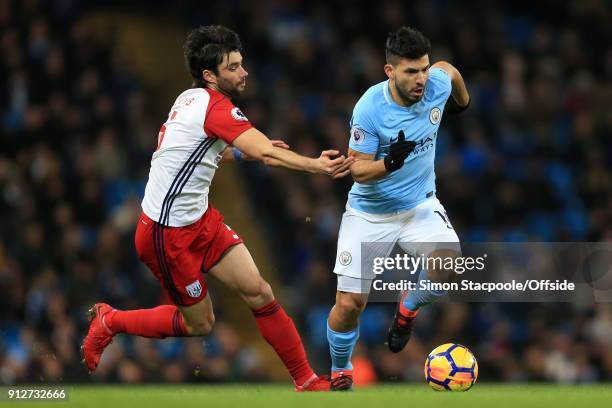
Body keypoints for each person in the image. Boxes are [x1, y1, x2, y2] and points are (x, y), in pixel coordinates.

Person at [82, 25, 353, 392]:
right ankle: (111, 321)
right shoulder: (215, 107)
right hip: (166, 233)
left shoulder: (188, 98)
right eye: (234, 67)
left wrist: (239, 150)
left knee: (259, 291)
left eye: (242, 64)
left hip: (200, 219)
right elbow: (268, 154)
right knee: (200, 324)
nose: (244, 73)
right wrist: (316, 165)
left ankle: (305, 379)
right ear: (210, 75)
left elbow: (188, 153)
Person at [326, 26, 470, 391]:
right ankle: (341, 369)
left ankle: (408, 307)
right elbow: (357, 170)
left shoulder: (436, 83)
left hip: (420, 206)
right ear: (389, 71)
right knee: (350, 304)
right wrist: (390, 163)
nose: (421, 78)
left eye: (423, 69)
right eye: (411, 71)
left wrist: (462, 103)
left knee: (448, 262)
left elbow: (448, 70)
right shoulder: (370, 108)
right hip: (369, 213)